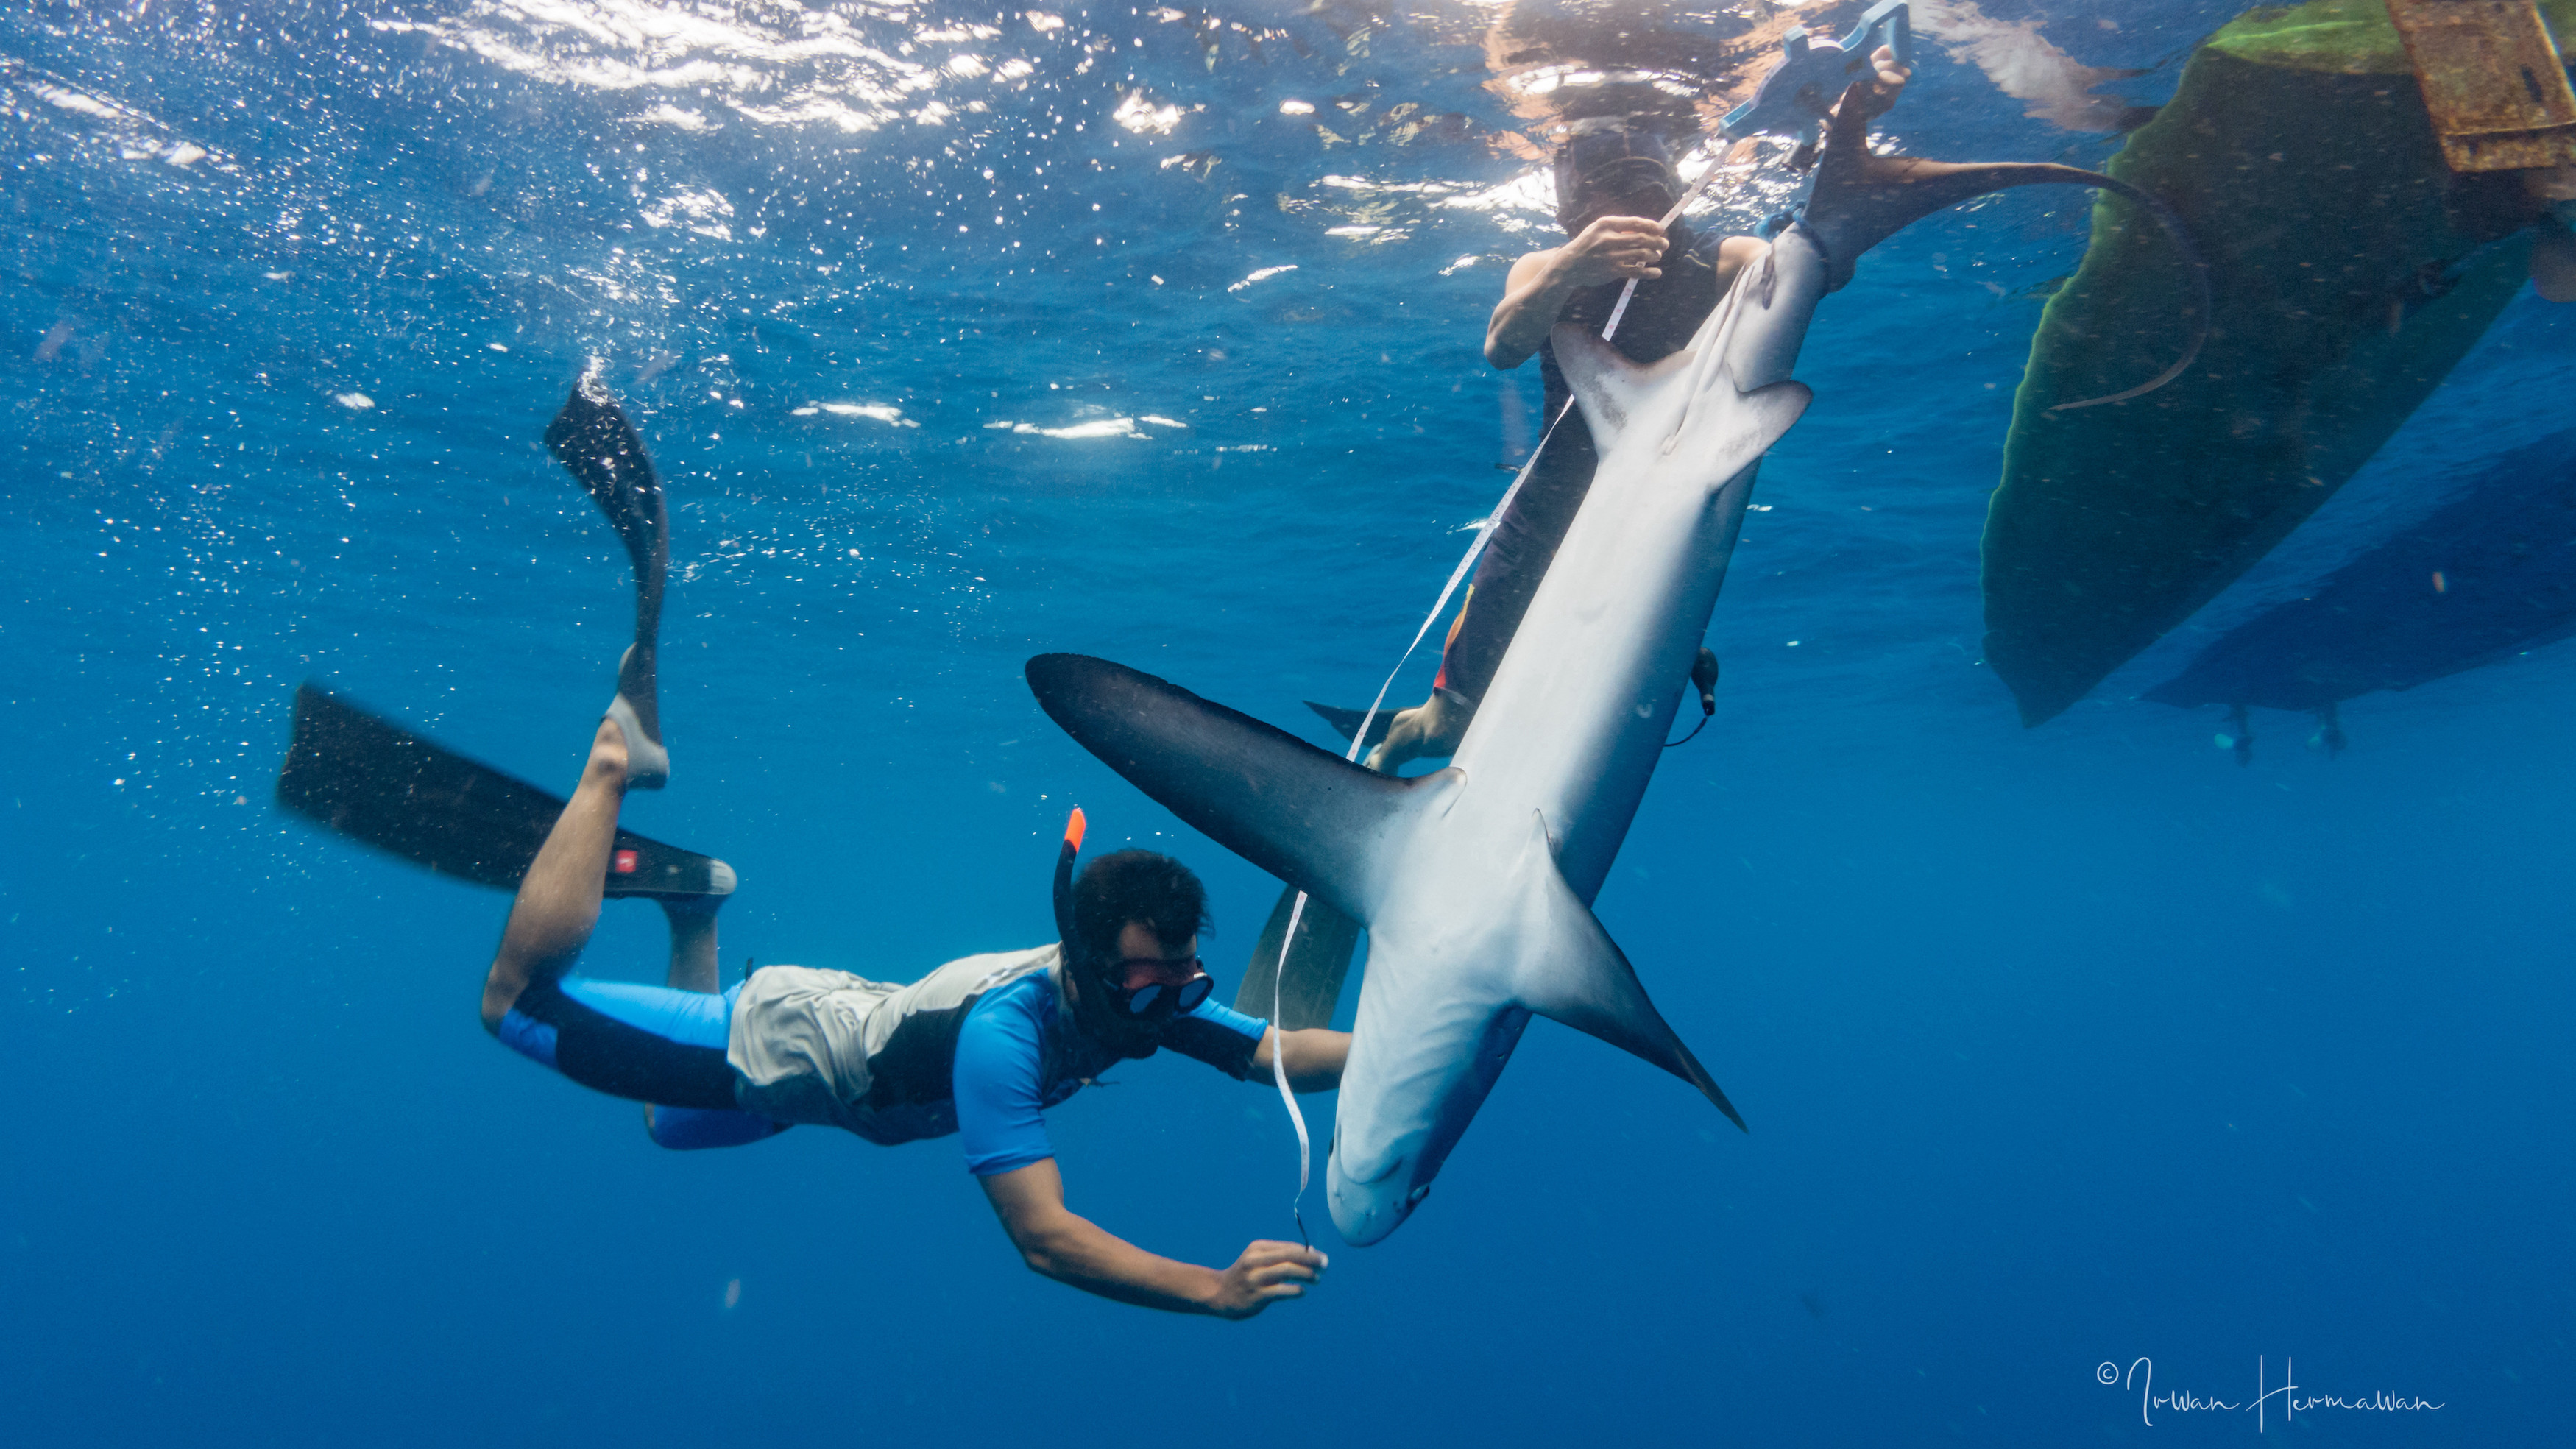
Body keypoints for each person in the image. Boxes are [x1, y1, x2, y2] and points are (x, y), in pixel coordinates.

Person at [474, 381, 1346, 1319]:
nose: (1167, 1010)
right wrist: (1211, 1288)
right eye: (1149, 990)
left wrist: (1435, 1048)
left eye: (1185, 987)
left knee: (665, 1127)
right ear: (1091, 966)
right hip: (774, 1055)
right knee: (515, 1005)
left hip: (832, 1060)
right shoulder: (1001, 1039)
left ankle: (697, 907)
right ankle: (612, 762)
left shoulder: (1139, 994)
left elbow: (1273, 1051)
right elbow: (1043, 1239)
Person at [1367, 46, 1909, 771]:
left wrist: (1851, 124)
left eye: (1636, 154)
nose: (1615, 174)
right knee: (1450, 726)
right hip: (1542, 518)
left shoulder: (1721, 260)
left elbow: (1821, 266)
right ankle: (1388, 748)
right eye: (1592, 162)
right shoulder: (1542, 267)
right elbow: (1501, 346)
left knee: (1596, 699)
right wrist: (1568, 269)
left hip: (1652, 517)